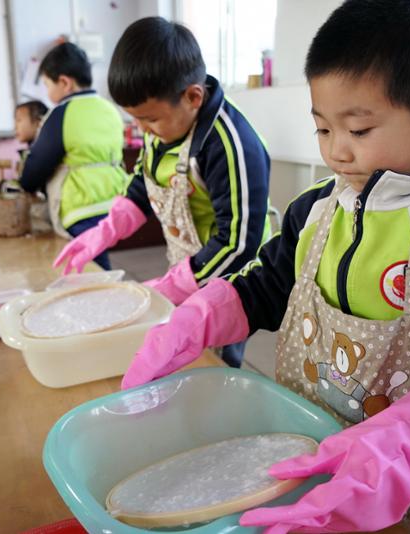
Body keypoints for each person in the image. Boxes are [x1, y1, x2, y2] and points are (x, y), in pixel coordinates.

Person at [121, 1, 410, 532]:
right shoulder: (316, 209)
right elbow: (266, 284)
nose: (337, 154)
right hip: (317, 463)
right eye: (323, 130)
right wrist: (202, 314)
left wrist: (401, 446)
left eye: (359, 130)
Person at [53, 18, 272, 366]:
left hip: (232, 276)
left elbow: (238, 244)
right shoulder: (164, 128)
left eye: (150, 119)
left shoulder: (229, 145)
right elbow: (144, 185)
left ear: (193, 97)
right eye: (135, 119)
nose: (143, 130)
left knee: (213, 359)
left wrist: (175, 285)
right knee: (176, 347)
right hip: (191, 264)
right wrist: (104, 232)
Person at [19, 42, 127, 269]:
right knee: (98, 257)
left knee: (89, 266)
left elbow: (37, 167)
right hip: (114, 201)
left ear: (64, 82)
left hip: (81, 206)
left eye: (47, 85)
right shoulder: (110, 108)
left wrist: (25, 182)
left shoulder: (61, 113)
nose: (47, 92)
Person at [14, 100, 48, 175]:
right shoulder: (29, 152)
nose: (15, 127)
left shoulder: (44, 154)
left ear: (39, 122)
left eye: (19, 120)